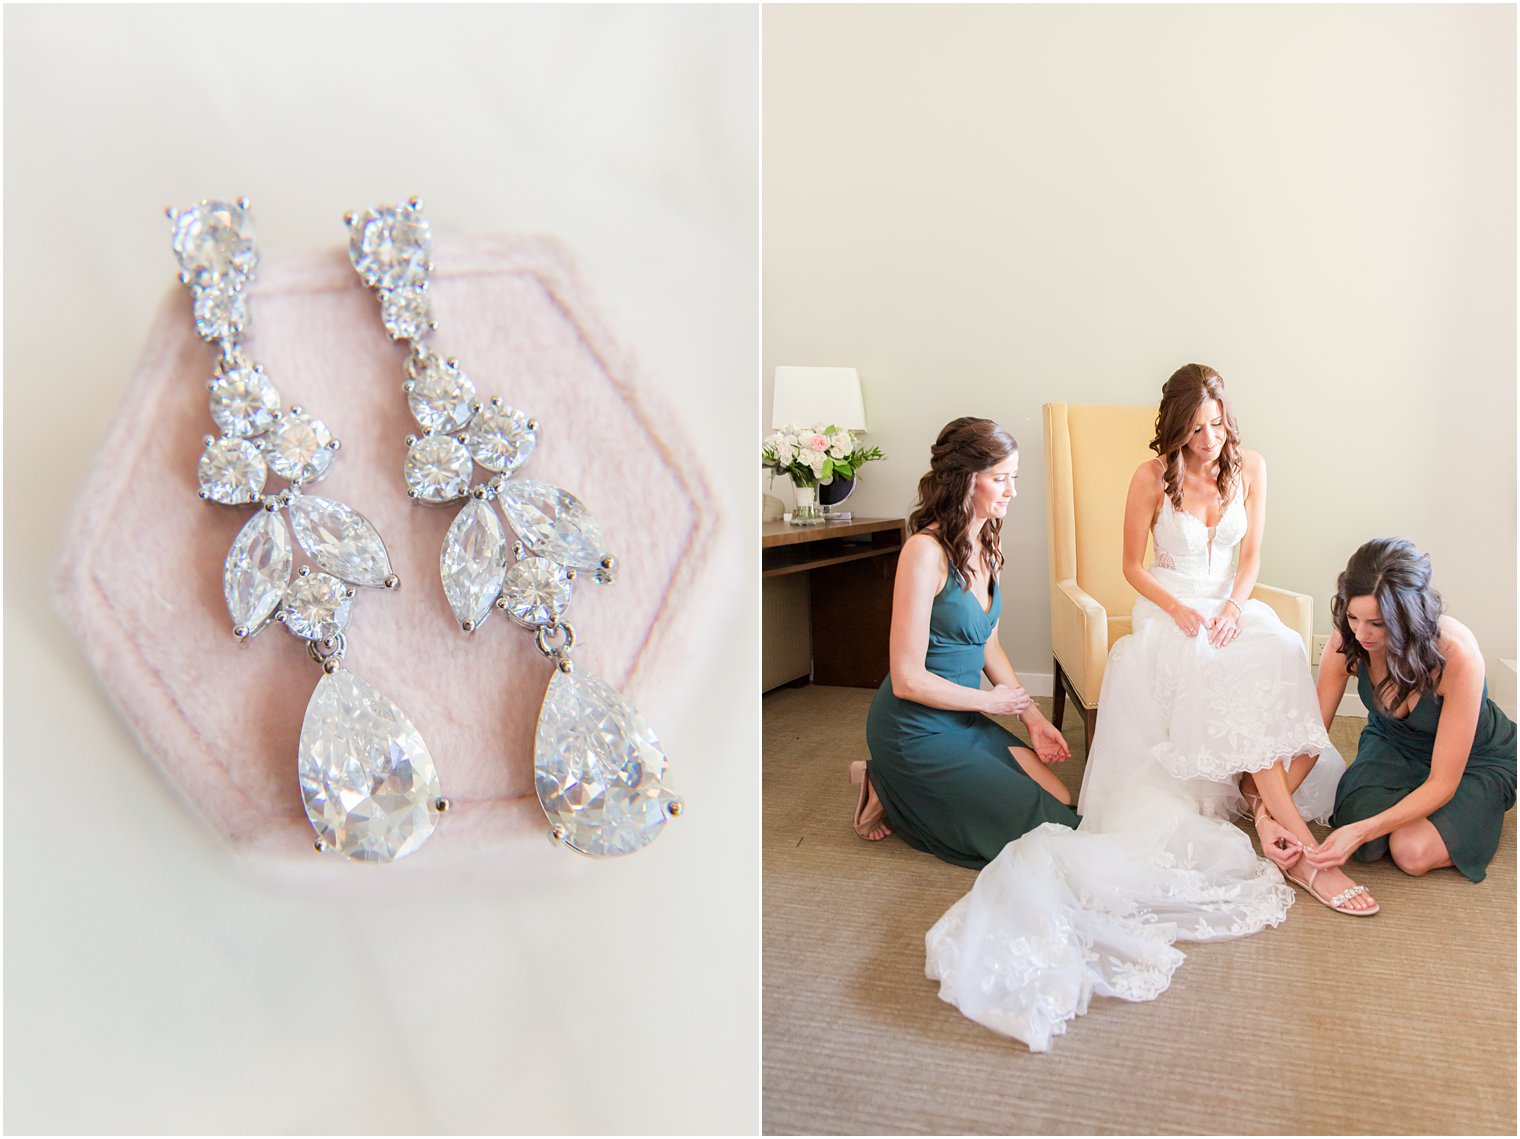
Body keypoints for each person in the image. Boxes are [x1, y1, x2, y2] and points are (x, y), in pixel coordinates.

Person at [925, 364, 1363, 1052]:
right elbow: (1132, 567)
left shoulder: (1252, 467)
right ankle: (1297, 842)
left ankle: (1262, 800)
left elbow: (1252, 557)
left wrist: (1235, 607)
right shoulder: (1148, 477)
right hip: (1169, 610)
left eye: (1216, 425)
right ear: (1176, 429)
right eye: (1194, 430)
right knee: (1207, 665)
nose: (1209, 440)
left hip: (1228, 606)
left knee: (1276, 646)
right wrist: (1184, 609)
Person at [856, 417, 1078, 868]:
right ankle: (884, 778)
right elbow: (906, 680)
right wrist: (988, 703)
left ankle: (887, 784)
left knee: (1059, 797)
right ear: (964, 481)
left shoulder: (989, 544)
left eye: (1013, 477)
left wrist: (1032, 718)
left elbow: (988, 647)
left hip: (962, 718)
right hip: (915, 728)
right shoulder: (923, 552)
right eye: (1000, 479)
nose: (1012, 490)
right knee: (1042, 838)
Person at [1302, 538, 1516, 883]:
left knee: (1410, 851)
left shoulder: (1457, 654)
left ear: (1408, 615)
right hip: (1394, 744)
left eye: (1377, 623)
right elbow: (1311, 737)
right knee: (1364, 840)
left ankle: (1471, 811)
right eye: (1353, 617)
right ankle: (1408, 811)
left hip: (1473, 759)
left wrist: (1363, 831)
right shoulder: (1347, 640)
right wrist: (1272, 808)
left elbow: (1444, 782)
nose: (1361, 633)